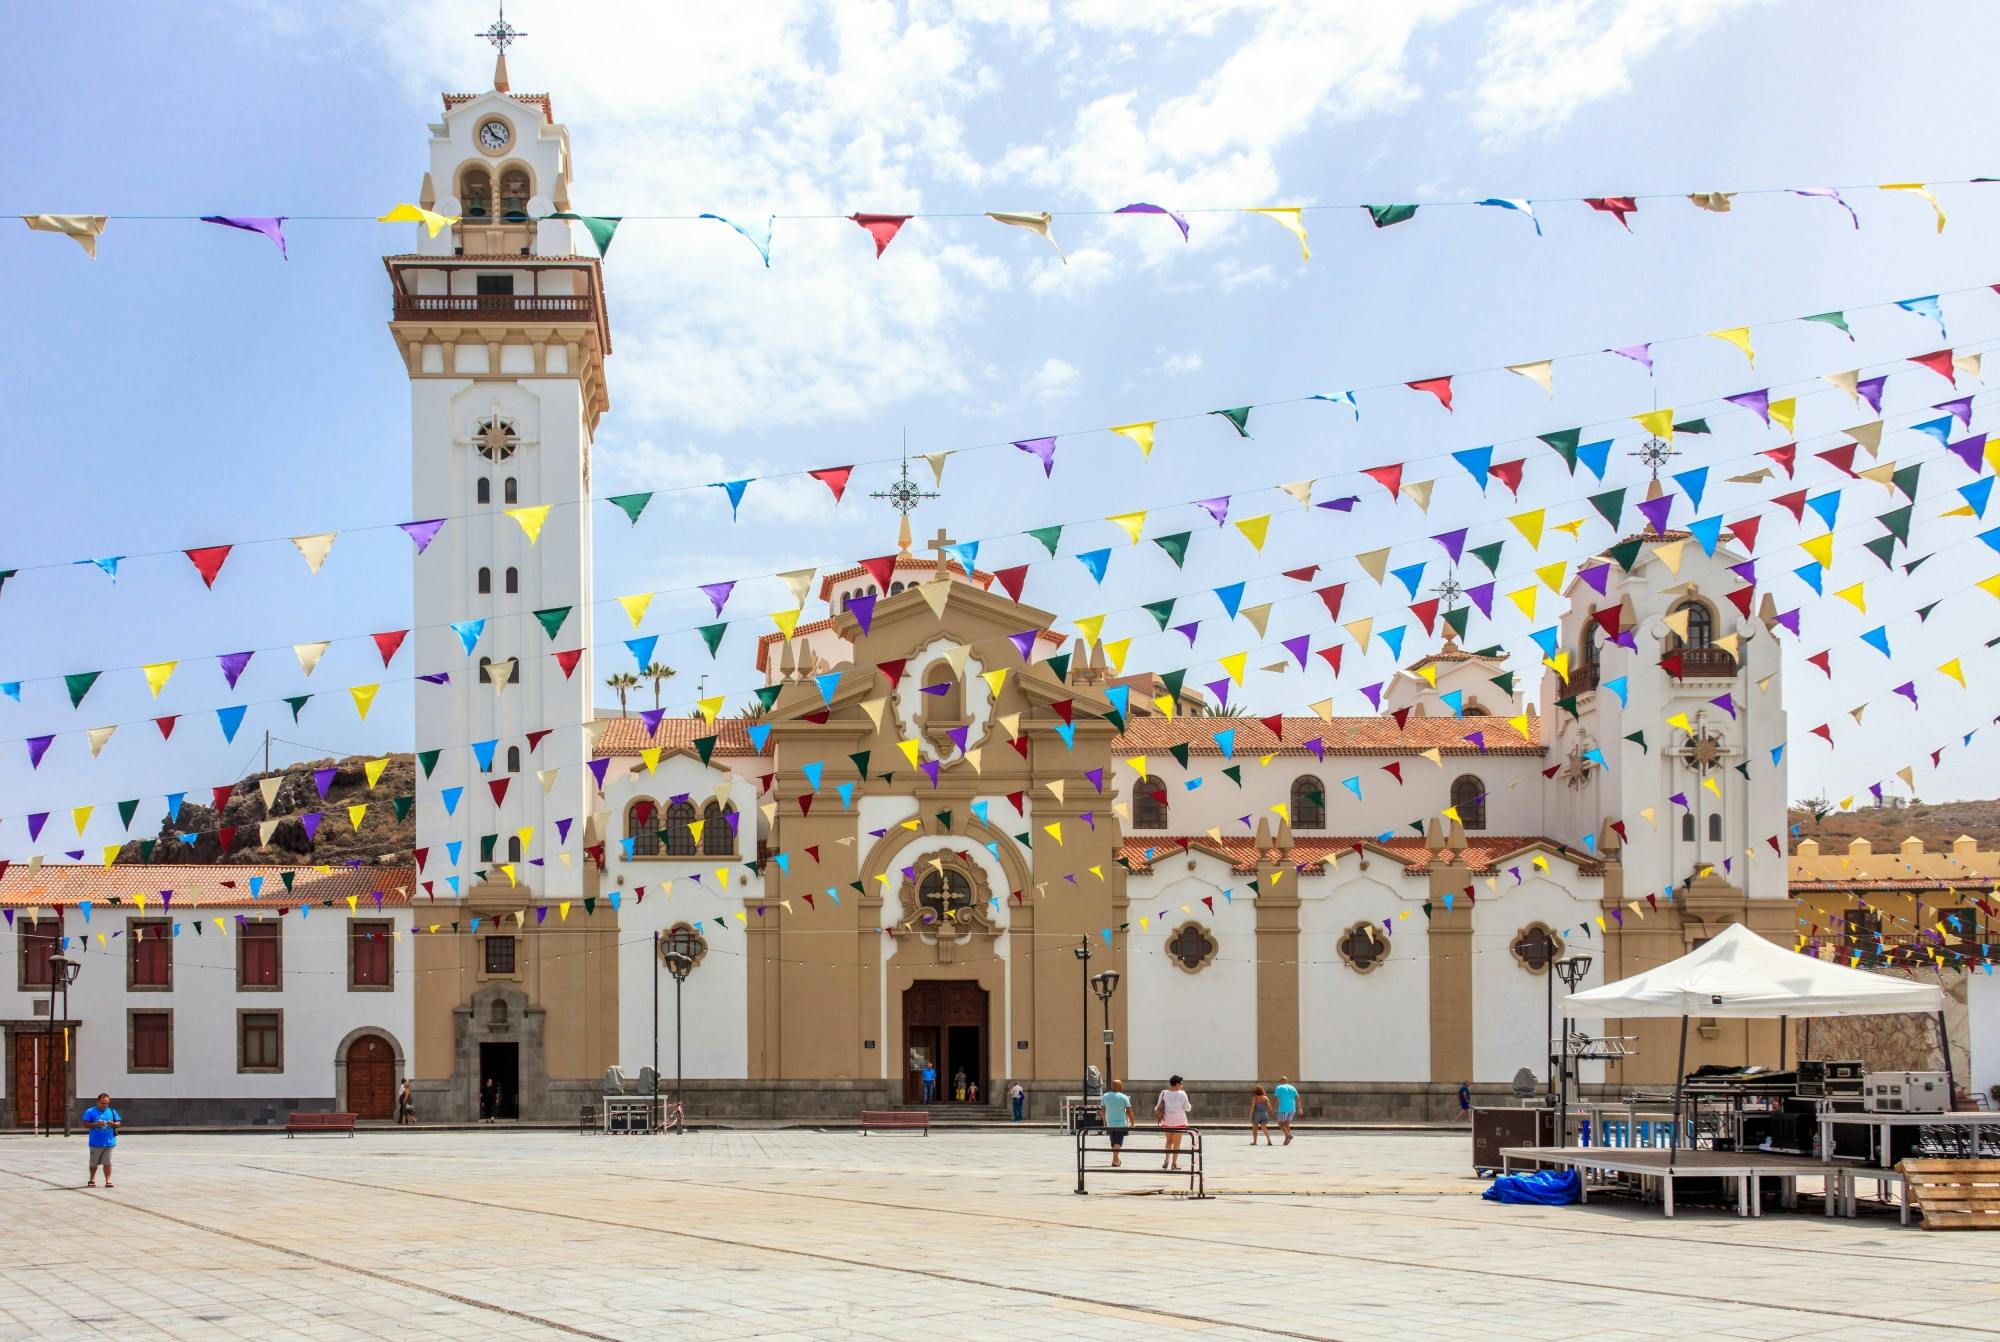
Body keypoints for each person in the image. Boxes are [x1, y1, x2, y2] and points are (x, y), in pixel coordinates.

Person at [82, 1092, 120, 1188]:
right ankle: (92, 1179)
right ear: (98, 1102)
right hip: (95, 1142)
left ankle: (108, 1181)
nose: (105, 1105)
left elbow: (118, 1123)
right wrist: (96, 1124)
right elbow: (85, 1125)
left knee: (107, 1162)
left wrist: (113, 1124)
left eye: (107, 1103)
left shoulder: (111, 1111)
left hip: (109, 1142)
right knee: (94, 1163)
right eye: (103, 1103)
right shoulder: (90, 1111)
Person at [1156, 1075, 1193, 1170]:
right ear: (1177, 1084)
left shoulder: (1164, 1092)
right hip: (1179, 1121)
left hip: (1167, 1120)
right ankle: (1174, 1164)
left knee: (1168, 1141)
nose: (1182, 1085)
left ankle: (1166, 1160)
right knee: (1177, 1143)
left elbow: (1157, 1107)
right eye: (1181, 1083)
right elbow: (1187, 1108)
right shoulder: (1182, 1094)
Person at [1100, 1079, 1133, 1167]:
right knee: (1118, 1142)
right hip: (1121, 1124)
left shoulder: (1105, 1096)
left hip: (1110, 1123)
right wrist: (1133, 1123)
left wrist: (1105, 1122)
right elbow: (1129, 1111)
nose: (1123, 1087)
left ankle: (1117, 1159)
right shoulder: (1123, 1097)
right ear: (1118, 1087)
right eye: (1122, 1085)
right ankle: (1114, 1160)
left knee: (1113, 1142)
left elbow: (1102, 1110)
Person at [1272, 1075, 1299, 1146]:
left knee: (1280, 1123)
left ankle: (1288, 1135)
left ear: (1281, 1081)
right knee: (1287, 1124)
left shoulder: (1279, 1087)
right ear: (1287, 1081)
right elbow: (1297, 1098)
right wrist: (1300, 1108)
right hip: (1292, 1109)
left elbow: (1275, 1099)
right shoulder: (1292, 1087)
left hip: (1283, 1108)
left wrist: (1273, 1107)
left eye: (1280, 1081)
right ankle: (1287, 1139)